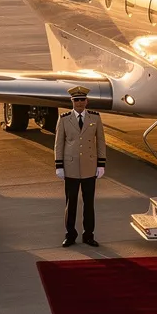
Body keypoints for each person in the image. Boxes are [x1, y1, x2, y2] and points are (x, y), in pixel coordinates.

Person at [54, 86, 106, 247]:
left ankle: (88, 235)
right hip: (71, 168)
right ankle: (70, 234)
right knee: (71, 204)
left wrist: (101, 164)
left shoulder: (95, 118)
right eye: (76, 100)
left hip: (90, 167)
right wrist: (59, 165)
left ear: (86, 101)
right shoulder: (64, 119)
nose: (79, 103)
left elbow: (101, 142)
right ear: (72, 101)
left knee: (89, 204)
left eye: (82, 99)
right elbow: (59, 143)